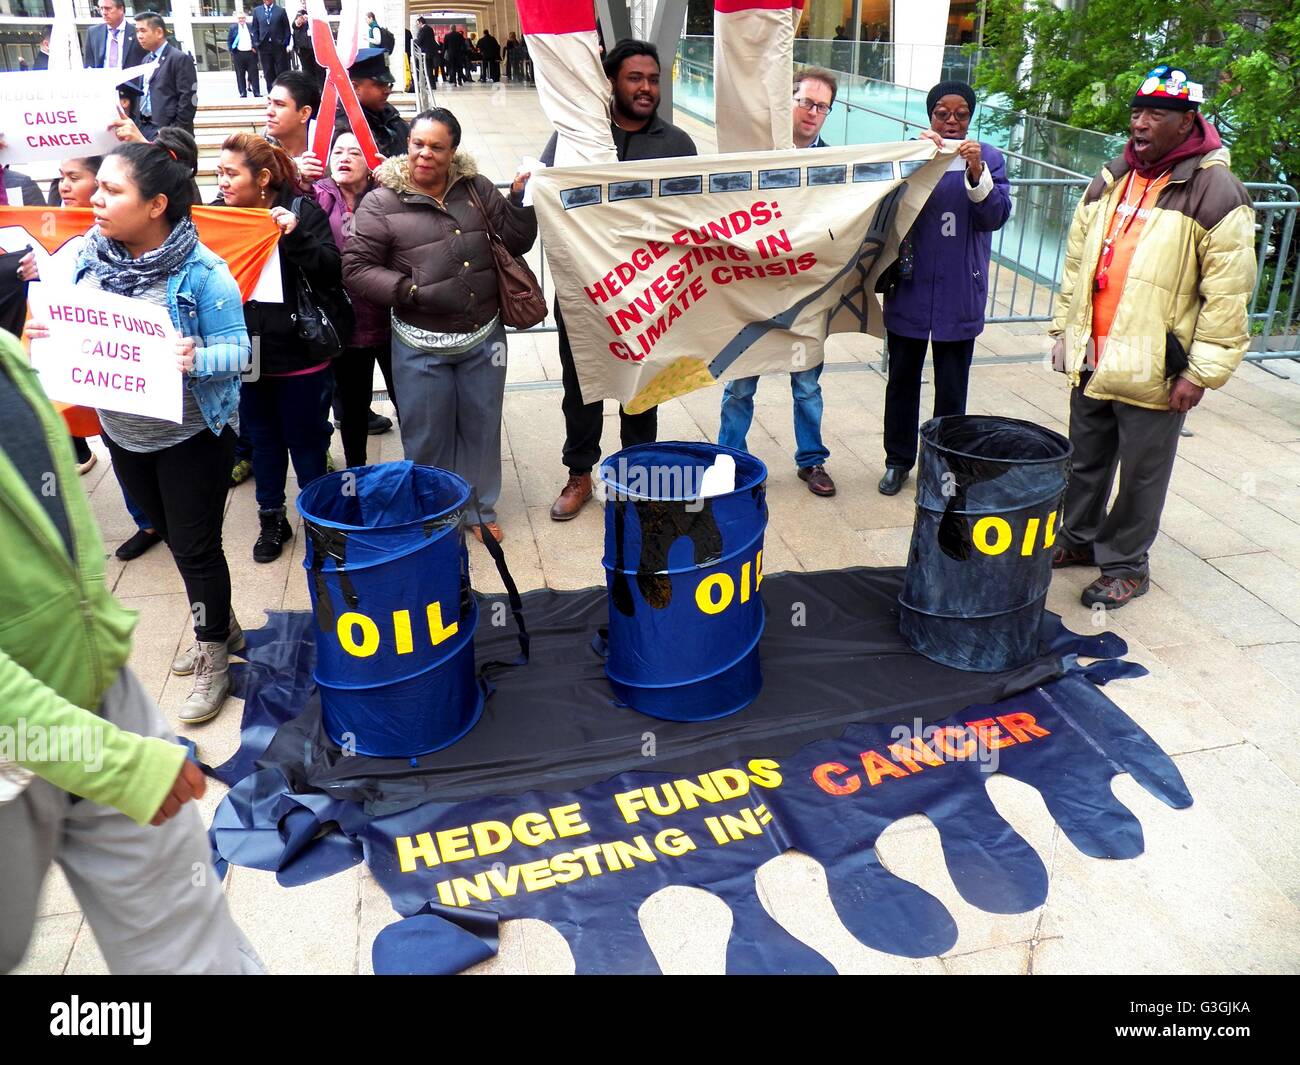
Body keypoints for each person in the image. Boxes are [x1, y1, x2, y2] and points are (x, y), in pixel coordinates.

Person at [0, 323, 264, 976]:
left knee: (191, 940)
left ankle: (214, 642)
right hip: (25, 746)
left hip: (102, 696)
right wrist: (117, 764)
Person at [24, 131, 250, 723]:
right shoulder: (84, 257)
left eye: (110, 190)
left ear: (155, 206)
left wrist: (196, 357)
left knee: (197, 549)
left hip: (191, 436)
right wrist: (50, 334)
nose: (94, 199)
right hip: (123, 432)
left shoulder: (204, 275)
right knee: (170, 534)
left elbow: (245, 355)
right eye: (95, 187)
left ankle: (212, 657)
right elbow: (70, 324)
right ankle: (222, 626)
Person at [1048, 66, 1255, 609]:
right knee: (1085, 458)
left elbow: (1229, 295)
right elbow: (1077, 262)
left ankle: (1126, 565)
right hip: (1094, 350)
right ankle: (1077, 540)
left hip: (1156, 362)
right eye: (1137, 112)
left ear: (1188, 120)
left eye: (1155, 114)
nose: (1140, 123)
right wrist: (1063, 330)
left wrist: (1200, 370)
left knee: (1141, 472)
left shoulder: (1214, 188)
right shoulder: (1115, 173)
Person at [344, 108, 535, 543]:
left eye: (436, 147)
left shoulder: (476, 189)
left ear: (452, 152)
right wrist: (410, 291)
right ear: (407, 145)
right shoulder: (381, 201)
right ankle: (434, 514)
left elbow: (518, 240)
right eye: (418, 144)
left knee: (481, 425)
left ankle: (478, 509)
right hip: (419, 342)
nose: (425, 154)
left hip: (483, 335)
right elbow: (356, 268)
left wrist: (521, 200)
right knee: (427, 432)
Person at [540, 39, 698, 522]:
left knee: (642, 388)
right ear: (610, 82)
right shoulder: (576, 136)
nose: (647, 87)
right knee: (581, 388)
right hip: (585, 295)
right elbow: (547, 198)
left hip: (648, 297)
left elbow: (697, 219)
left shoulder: (677, 145)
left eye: (653, 79)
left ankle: (637, 472)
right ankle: (580, 473)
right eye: (635, 78)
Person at [16, 155, 164, 561]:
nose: (64, 185)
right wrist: (29, 275)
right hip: (79, 353)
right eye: (61, 177)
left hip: (127, 356)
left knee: (140, 438)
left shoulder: (131, 229)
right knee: (110, 439)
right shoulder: (42, 228)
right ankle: (147, 520)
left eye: (75, 178)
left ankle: (169, 511)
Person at [877, 79, 1012, 496]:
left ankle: (944, 467)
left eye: (960, 114)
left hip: (958, 289)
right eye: (942, 113)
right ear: (930, 114)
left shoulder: (988, 157)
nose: (951, 121)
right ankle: (898, 460)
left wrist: (976, 172)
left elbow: (996, 215)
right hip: (912, 286)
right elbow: (883, 206)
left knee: (952, 387)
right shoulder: (913, 152)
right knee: (902, 380)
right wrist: (914, 161)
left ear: (971, 118)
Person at [214, 134, 341, 564]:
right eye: (219, 173)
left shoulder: (302, 210)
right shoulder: (217, 220)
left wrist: (296, 235)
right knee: (263, 441)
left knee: (307, 443)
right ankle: (272, 519)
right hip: (246, 355)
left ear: (263, 178)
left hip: (301, 354)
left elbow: (331, 270)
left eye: (232, 173)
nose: (223, 182)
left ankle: (322, 521)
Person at [718, 68, 841, 499]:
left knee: (807, 384)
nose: (812, 112)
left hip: (806, 294)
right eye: (805, 101)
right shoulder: (758, 157)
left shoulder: (834, 167)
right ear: (787, 101)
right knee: (740, 385)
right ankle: (730, 461)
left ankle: (812, 461)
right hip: (753, 294)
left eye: (821, 106)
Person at [310, 131, 396, 468]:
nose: (344, 158)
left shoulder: (389, 195)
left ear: (372, 162)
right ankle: (356, 475)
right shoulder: (316, 195)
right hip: (343, 322)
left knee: (408, 403)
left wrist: (398, 180)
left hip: (389, 318)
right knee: (352, 407)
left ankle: (420, 473)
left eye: (355, 152)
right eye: (338, 151)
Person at [336, 48, 410, 160]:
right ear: (355, 87)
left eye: (388, 84)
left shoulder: (390, 117)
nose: (387, 91)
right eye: (380, 85)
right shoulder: (340, 126)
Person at [134, 12, 198, 137]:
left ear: (159, 32)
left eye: (143, 31)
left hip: (169, 132)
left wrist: (175, 131)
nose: (139, 36)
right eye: (137, 31)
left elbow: (188, 99)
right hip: (145, 128)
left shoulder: (179, 58)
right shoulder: (146, 59)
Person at [83, 0, 145, 70]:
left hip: (129, 79)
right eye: (101, 8)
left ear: (121, 9)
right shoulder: (93, 33)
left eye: (108, 8)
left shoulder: (137, 33)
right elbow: (89, 65)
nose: (104, 13)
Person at [251, 0, 292, 89]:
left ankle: (283, 90)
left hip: (278, 46)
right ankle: (271, 92)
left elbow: (287, 29)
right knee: (268, 71)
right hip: (264, 47)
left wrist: (285, 43)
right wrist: (257, 43)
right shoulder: (257, 11)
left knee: (282, 70)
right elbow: (254, 29)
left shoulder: (281, 11)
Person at [229, 12, 262, 99]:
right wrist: (232, 51)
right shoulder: (233, 28)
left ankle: (256, 92)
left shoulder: (250, 26)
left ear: (245, 19)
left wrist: (255, 47)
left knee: (254, 74)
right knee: (240, 74)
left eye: (243, 18)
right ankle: (243, 92)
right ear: (237, 19)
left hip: (250, 53)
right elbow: (229, 41)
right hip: (239, 54)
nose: (241, 20)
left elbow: (255, 38)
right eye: (240, 18)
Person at [291, 9, 321, 91]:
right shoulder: (301, 12)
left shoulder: (318, 10)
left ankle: (320, 90)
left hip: (317, 47)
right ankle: (310, 90)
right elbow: (294, 25)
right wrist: (299, 21)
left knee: (319, 72)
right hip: (304, 48)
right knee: (307, 72)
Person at [416, 17, 439, 90]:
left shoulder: (423, 30)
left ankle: (430, 85)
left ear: (420, 22)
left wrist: (414, 41)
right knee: (429, 69)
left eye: (417, 24)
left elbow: (420, 41)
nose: (417, 26)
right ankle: (432, 84)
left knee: (427, 69)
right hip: (431, 52)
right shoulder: (430, 29)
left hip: (426, 52)